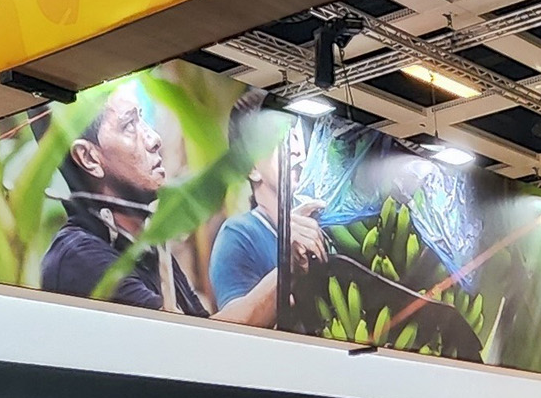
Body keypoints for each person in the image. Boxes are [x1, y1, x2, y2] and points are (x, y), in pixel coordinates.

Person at [38, 86, 210, 316]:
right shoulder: (79, 257)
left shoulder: (145, 247)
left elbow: (203, 325)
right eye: (129, 125)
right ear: (89, 158)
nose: (154, 139)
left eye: (142, 119)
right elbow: (178, 333)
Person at [207, 107, 327, 329]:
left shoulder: (322, 220)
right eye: (281, 141)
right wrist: (287, 264)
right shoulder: (239, 234)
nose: (297, 151)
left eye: (297, 138)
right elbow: (233, 329)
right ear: (252, 167)